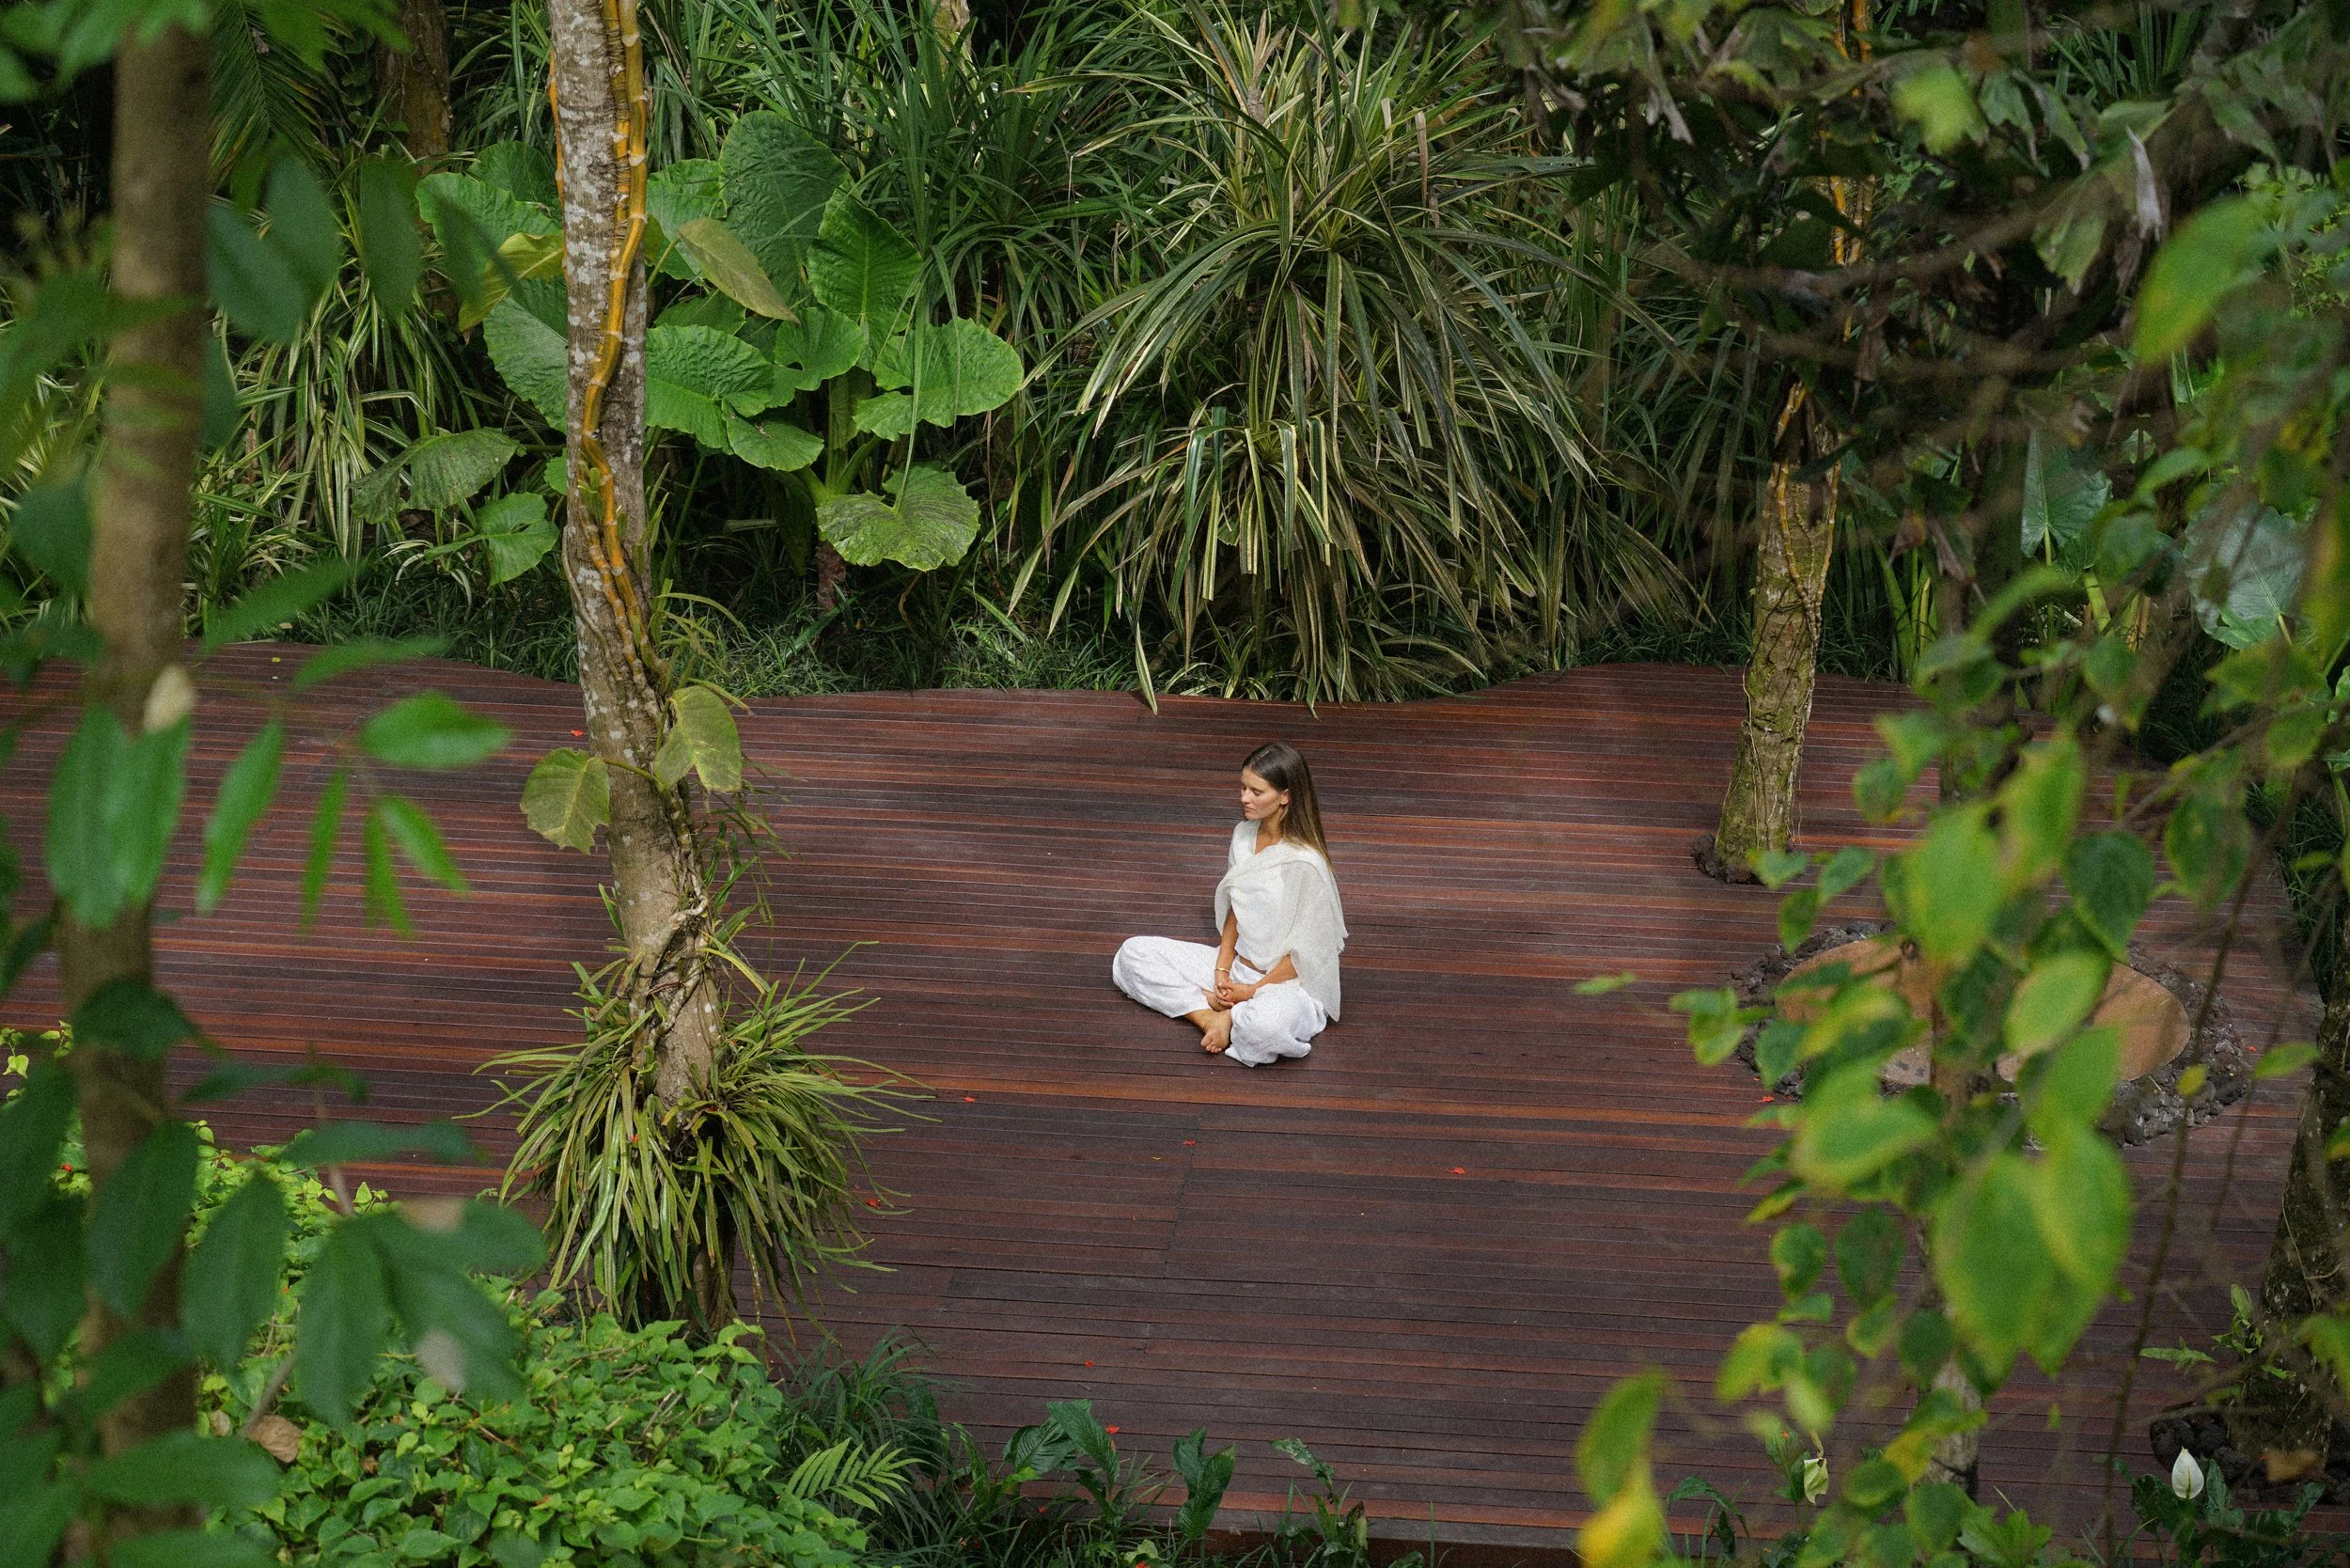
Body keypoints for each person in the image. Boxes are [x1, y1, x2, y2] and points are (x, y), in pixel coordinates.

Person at [1111, 742, 1347, 1066]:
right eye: (1243, 787)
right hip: (1239, 969)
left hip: (1286, 986)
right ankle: (1208, 1017)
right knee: (1132, 955)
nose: (1244, 798)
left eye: (1256, 791)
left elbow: (1310, 952)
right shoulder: (1243, 836)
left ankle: (1232, 1015)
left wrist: (1251, 993)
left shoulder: (1306, 863)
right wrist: (1222, 970)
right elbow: (1238, 909)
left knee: (1266, 1029)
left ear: (1285, 796)